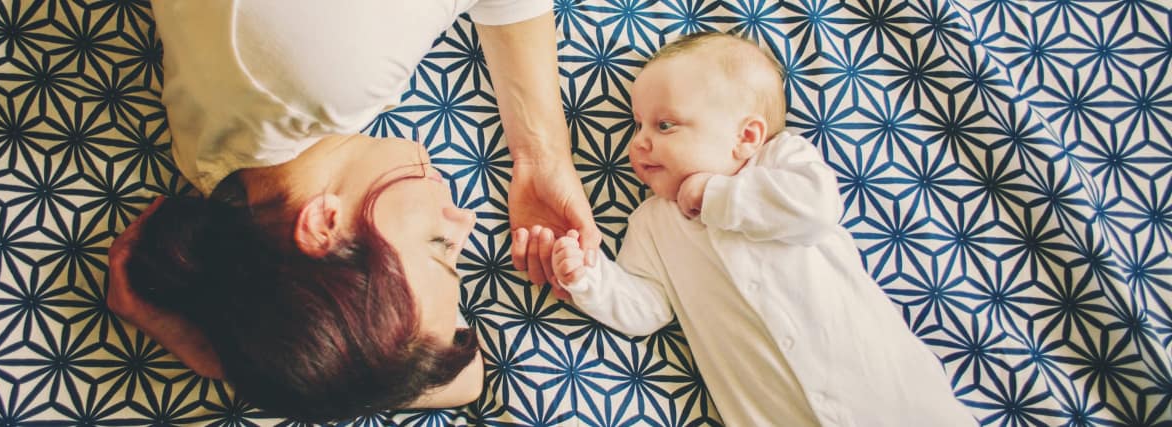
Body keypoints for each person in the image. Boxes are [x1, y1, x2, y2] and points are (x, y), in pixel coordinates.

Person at [106, 0, 600, 423]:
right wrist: (226, 360)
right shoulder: (222, 175)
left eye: (438, 245)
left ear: (323, 224)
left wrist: (545, 150)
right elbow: (466, 380)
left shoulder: (337, 73)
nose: (464, 222)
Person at [535, 32, 975, 426]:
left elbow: (817, 208)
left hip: (895, 398)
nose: (639, 142)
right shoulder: (652, 222)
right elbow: (647, 309)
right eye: (638, 125)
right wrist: (588, 277)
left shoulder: (781, 162)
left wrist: (715, 195)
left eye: (664, 125)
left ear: (746, 137)